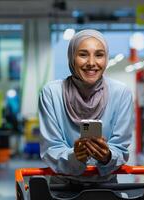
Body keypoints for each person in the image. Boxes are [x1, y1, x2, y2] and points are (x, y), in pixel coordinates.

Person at [38, 29, 134, 185]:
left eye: (99, 55)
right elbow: (51, 148)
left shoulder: (121, 93)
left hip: (106, 188)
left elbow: (121, 147)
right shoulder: (51, 93)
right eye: (83, 54)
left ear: (106, 58)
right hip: (63, 187)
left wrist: (108, 156)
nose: (91, 63)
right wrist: (74, 156)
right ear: (71, 58)